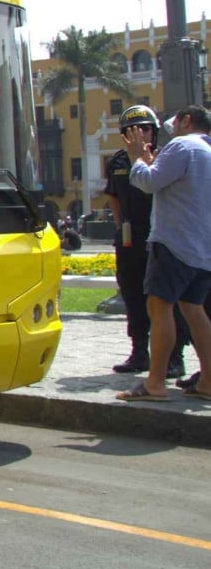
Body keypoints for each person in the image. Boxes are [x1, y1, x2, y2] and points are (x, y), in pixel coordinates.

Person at [116, 105, 211, 402]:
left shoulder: (182, 145)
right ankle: (208, 380)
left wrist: (135, 157)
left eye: (176, 122)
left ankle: (155, 383)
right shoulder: (207, 150)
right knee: (194, 311)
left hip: (173, 242)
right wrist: (148, 161)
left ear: (186, 121)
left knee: (159, 308)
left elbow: (148, 182)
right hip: (202, 246)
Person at [102, 105, 182, 376]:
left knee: (166, 299)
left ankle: (174, 357)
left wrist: (145, 160)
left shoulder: (166, 159)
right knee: (132, 294)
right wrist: (119, 223)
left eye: (145, 128)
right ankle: (139, 352)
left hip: (161, 238)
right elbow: (112, 194)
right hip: (129, 238)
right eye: (130, 130)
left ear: (155, 131)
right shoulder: (117, 162)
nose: (138, 134)